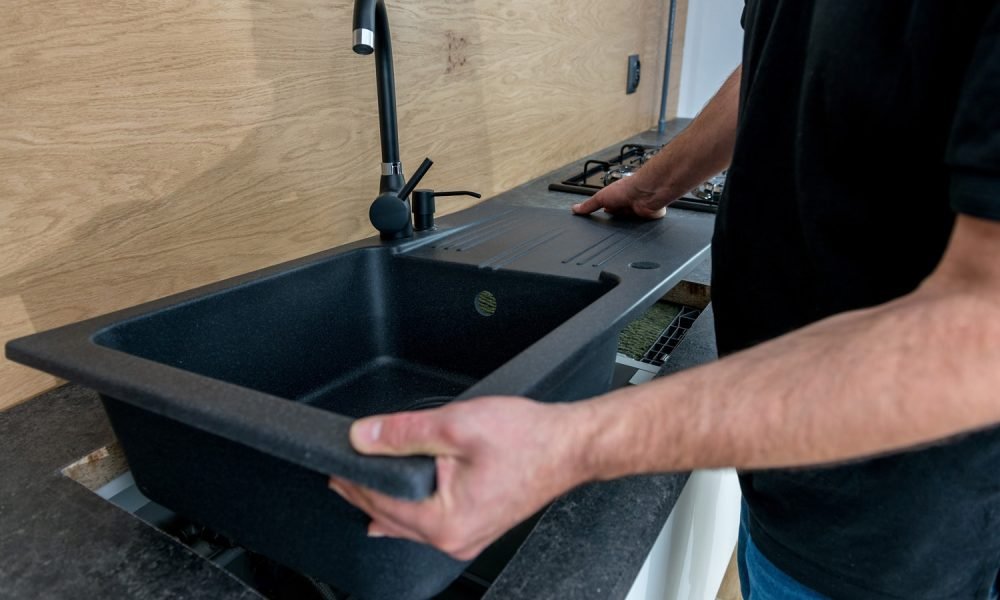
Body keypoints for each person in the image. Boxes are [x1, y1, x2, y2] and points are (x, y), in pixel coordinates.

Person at [329, 2, 1000, 598]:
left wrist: (570, 446)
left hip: (902, 534)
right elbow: (773, 67)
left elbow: (984, 334)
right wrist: (654, 183)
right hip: (790, 464)